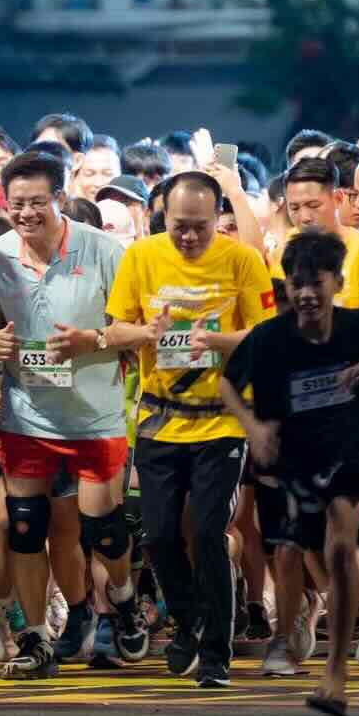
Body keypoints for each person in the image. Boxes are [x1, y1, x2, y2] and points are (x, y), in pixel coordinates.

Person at [103, 172, 274, 687]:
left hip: (220, 419)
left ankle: (216, 655)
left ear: (218, 219)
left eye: (200, 227)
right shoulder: (141, 256)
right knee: (155, 534)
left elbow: (265, 335)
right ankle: (189, 619)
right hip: (159, 416)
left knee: (205, 532)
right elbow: (113, 330)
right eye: (179, 226)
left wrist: (217, 343)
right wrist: (147, 332)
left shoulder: (242, 260)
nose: (189, 237)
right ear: (163, 216)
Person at [0, 150, 141, 680]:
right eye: (15, 203)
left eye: (36, 202)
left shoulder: (103, 251)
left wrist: (91, 339)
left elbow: (139, 329)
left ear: (59, 198)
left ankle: (122, 599)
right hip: (27, 416)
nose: (26, 214)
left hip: (94, 415)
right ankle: (36, 639)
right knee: (25, 528)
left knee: (105, 530)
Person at [218, 229, 359, 712]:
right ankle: (286, 635)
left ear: (337, 281)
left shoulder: (358, 326)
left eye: (317, 282)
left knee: (338, 550)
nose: (307, 292)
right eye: (297, 283)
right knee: (288, 552)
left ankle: (336, 668)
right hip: (289, 460)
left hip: (347, 452)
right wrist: (252, 426)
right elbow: (229, 386)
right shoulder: (269, 336)